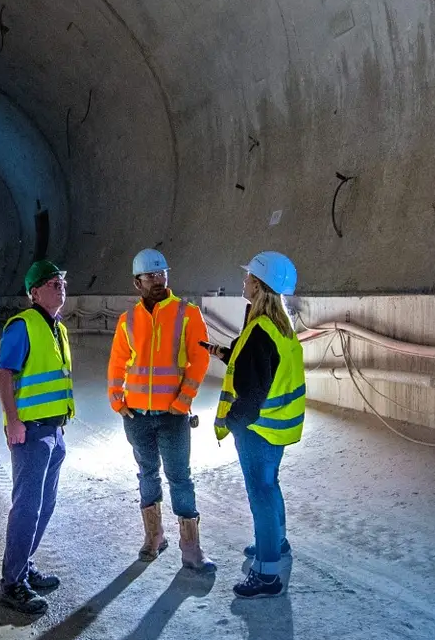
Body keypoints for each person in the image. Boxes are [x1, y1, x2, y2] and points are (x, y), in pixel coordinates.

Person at [108, 249, 215, 572]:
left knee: (180, 478)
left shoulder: (187, 313)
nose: (158, 280)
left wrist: (184, 399)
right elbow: (118, 362)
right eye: (150, 276)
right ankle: (154, 537)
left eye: (161, 274)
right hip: (137, 416)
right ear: (137, 282)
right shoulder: (128, 320)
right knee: (147, 474)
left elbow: (200, 359)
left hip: (173, 415)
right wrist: (117, 398)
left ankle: (191, 547)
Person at [208, 251, 306, 599]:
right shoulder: (280, 326)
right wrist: (223, 352)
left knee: (260, 494)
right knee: (270, 485)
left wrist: (233, 421)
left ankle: (266, 574)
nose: (244, 281)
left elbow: (251, 393)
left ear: (259, 286)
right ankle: (277, 543)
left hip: (257, 430)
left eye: (249, 277)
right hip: (277, 428)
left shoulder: (261, 330)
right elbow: (256, 360)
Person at [0, 259, 76, 614]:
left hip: (54, 431)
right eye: (51, 282)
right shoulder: (23, 326)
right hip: (30, 432)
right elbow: (3, 373)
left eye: (61, 280)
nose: (59, 286)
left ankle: (23, 566)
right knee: (27, 508)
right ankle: (12, 584)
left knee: (45, 505)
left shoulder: (58, 328)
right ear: (34, 292)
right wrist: (13, 421)